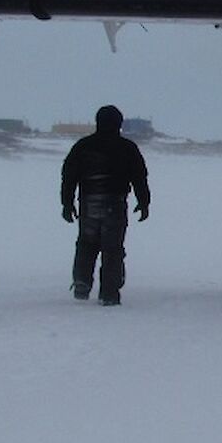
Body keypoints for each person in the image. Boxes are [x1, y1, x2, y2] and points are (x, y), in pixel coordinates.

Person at [61, 105, 150, 306]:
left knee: (86, 244)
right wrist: (143, 201)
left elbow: (68, 175)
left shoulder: (83, 146)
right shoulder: (127, 147)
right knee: (113, 249)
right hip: (115, 203)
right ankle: (110, 293)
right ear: (119, 124)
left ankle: (82, 283)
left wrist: (67, 203)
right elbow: (139, 176)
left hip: (88, 202)